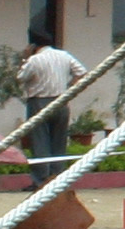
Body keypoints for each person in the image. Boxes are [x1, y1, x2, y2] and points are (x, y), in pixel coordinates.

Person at [16, 35, 83, 181]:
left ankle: (41, 180)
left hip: (39, 102)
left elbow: (20, 77)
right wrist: (70, 87)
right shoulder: (64, 56)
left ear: (34, 45)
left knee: (40, 142)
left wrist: (25, 58)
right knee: (59, 142)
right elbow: (81, 72)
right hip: (61, 101)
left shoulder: (34, 60)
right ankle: (57, 179)